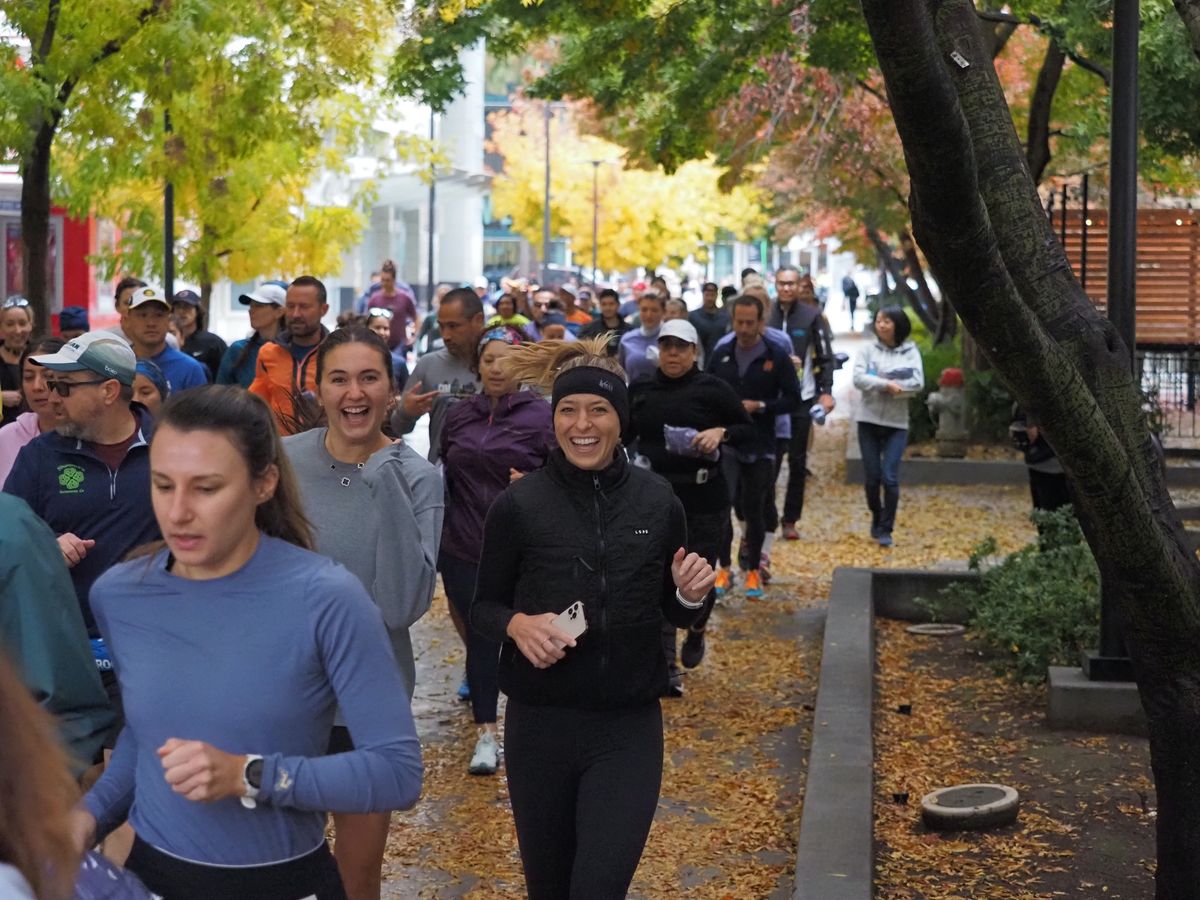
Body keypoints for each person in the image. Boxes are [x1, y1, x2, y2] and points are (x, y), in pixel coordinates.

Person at [77, 386, 423, 900]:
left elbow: (397, 773)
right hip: (152, 878)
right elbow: (145, 741)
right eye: (162, 485)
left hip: (282, 881)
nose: (177, 513)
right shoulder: (122, 593)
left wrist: (250, 775)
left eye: (207, 488)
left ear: (264, 483)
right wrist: (85, 820)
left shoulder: (328, 599)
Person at [471, 336, 715, 899]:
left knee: (599, 888)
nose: (582, 424)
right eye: (568, 410)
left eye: (599, 410)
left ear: (620, 419)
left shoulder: (658, 502)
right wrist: (518, 626)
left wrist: (690, 595)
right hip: (539, 726)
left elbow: (672, 610)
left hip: (626, 727)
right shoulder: (519, 506)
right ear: (553, 418)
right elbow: (484, 605)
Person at [283, 328, 440, 900]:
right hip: (281, 695)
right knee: (273, 868)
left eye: (369, 378)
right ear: (317, 389)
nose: (355, 393)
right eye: (339, 378)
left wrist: (385, 482)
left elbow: (402, 606)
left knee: (354, 880)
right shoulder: (283, 463)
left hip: (368, 703)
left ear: (391, 391)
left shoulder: (419, 477)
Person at [440, 325, 554, 775]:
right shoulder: (458, 414)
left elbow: (569, 474)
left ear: (522, 364)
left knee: (532, 638)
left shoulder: (541, 416)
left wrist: (535, 485)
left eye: (506, 358)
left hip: (526, 550)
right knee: (482, 640)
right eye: (488, 359)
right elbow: (440, 469)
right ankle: (486, 733)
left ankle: (539, 730)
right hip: (465, 545)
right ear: (477, 365)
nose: (496, 367)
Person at [3, 332, 159, 642]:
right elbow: (5, 541)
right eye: (52, 385)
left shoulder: (170, 448)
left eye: (64, 386)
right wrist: (44, 549)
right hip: (65, 644)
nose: (52, 397)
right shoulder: (38, 456)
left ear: (109, 391)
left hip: (154, 640)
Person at [626, 320, 754, 685]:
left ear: (694, 352)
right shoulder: (641, 389)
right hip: (654, 498)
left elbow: (747, 431)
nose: (673, 354)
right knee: (657, 575)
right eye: (667, 346)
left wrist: (721, 432)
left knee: (698, 574)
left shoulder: (712, 389)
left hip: (703, 498)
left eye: (681, 347)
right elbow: (621, 434)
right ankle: (665, 665)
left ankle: (696, 628)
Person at [707, 295, 800, 598]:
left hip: (761, 443)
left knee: (754, 507)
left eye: (750, 322)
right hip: (727, 443)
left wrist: (760, 405)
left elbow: (792, 399)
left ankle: (753, 571)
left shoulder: (776, 354)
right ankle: (723, 568)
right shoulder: (721, 352)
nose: (744, 328)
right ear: (732, 321)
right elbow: (705, 390)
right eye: (739, 322)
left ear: (761, 322)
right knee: (723, 504)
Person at [768, 267, 836, 541]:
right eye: (782, 283)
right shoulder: (765, 314)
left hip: (801, 399)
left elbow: (824, 356)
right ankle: (766, 516)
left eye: (791, 284)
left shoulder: (811, 316)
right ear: (775, 285)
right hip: (770, 401)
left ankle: (790, 519)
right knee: (769, 461)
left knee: (797, 462)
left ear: (799, 286)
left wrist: (826, 391)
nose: (786, 289)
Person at [852, 306, 924, 547]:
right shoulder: (867, 350)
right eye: (878, 320)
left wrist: (883, 378)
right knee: (872, 477)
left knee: (890, 477)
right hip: (869, 420)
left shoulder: (910, 351)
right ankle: (876, 514)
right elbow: (859, 378)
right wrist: (886, 382)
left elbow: (916, 381)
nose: (881, 325)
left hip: (897, 423)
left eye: (887, 321)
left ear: (898, 325)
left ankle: (886, 528)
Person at [390, 287, 485, 464]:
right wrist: (405, 412)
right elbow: (398, 427)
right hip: (443, 480)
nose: (446, 335)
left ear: (478, 320)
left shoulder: (501, 365)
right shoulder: (428, 365)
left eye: (454, 326)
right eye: (441, 327)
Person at [250, 276, 331, 434]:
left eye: (304, 307)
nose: (295, 314)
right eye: (290, 306)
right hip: (281, 449)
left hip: (327, 447)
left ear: (324, 309)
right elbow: (257, 405)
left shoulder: (337, 353)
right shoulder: (268, 353)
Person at [0, 336, 63, 485]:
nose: (36, 386)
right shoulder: (5, 437)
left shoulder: (91, 436)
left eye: (48, 376)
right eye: (28, 377)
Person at [124, 287, 208, 391]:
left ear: (168, 320)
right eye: (143, 315)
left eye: (159, 315)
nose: (151, 323)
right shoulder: (115, 365)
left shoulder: (190, 370)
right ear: (127, 320)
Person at [217, 283, 288, 388]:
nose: (251, 310)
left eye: (259, 305)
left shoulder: (293, 350)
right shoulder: (237, 350)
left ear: (279, 312)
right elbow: (220, 394)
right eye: (250, 305)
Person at [106, 277, 180, 351]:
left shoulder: (169, 341)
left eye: (142, 306)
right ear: (117, 306)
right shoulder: (106, 341)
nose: (131, 308)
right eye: (128, 303)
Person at [171, 290, 228, 382]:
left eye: (187, 307)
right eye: (178, 307)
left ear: (197, 311)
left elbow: (225, 375)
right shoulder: (167, 341)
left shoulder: (213, 342)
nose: (182, 311)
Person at [367, 260, 420, 353]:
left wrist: (414, 337)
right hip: (379, 346)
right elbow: (366, 321)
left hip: (400, 346)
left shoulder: (405, 297)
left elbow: (416, 317)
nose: (384, 283)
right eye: (382, 280)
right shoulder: (375, 298)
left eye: (388, 280)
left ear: (394, 280)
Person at [617, 292, 665, 384]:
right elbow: (622, 373)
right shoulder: (627, 339)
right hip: (634, 395)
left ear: (663, 312)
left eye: (654, 310)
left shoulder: (669, 339)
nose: (649, 315)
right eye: (644, 309)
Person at [1, 295, 34, 426]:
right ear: (1, 328)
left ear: (31, 325)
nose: (17, 330)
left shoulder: (40, 357)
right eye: (10, 324)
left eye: (22, 323)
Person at [364, 308, 410, 390]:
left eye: (386, 328)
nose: (382, 332)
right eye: (377, 328)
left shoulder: (399, 363)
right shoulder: (357, 359)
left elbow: (406, 394)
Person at [577, 288, 630, 356]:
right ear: (600, 306)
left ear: (618, 305)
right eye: (604, 304)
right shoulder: (588, 329)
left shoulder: (629, 331)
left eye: (611, 304)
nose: (607, 308)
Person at [689, 282, 731, 360]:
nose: (710, 298)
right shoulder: (693, 316)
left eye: (712, 295)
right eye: (707, 295)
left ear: (716, 295)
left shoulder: (725, 317)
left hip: (720, 357)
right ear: (703, 295)